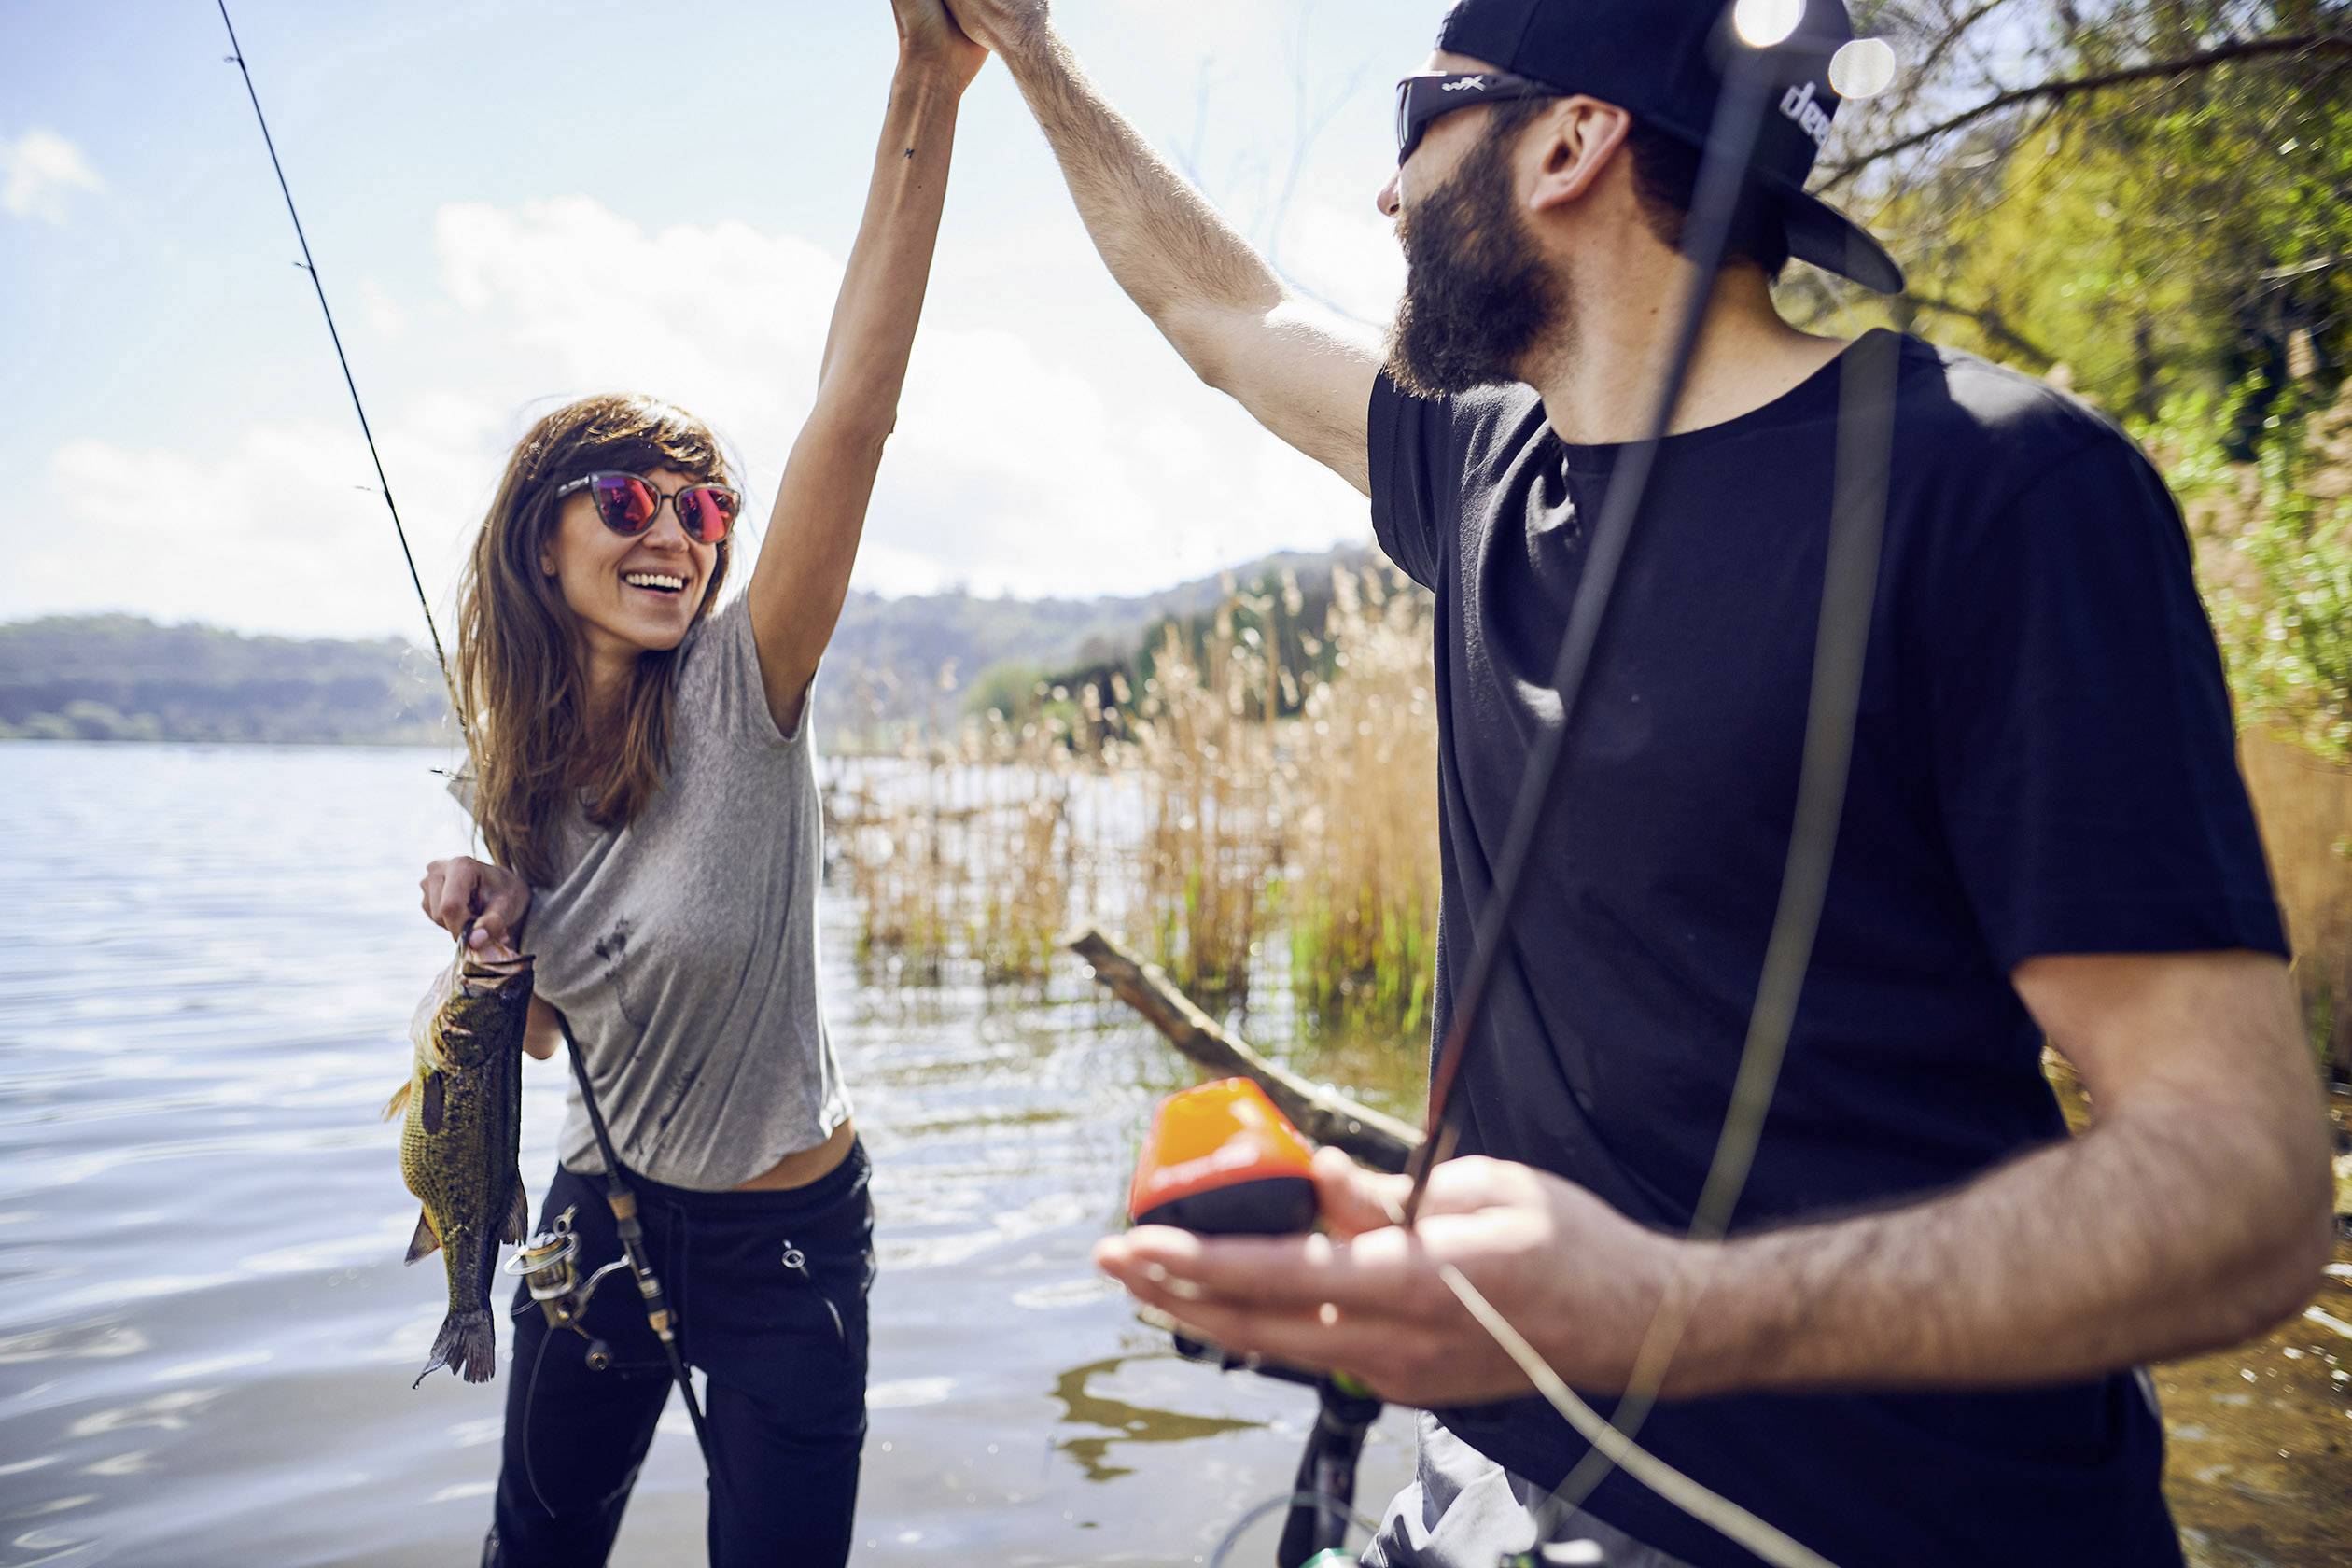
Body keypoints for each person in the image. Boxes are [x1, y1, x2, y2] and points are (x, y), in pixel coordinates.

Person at [938, 0, 2337, 1563]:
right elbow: (1227, 314)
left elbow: (2245, 1185)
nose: (1383, 196)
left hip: (1873, 1526)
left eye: (1420, 115)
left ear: (1569, 139)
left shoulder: (2000, 495)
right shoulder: (1482, 472)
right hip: (1495, 1472)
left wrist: (1666, 1313)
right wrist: (1027, 52)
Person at [413, 5, 986, 1564]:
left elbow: (854, 416)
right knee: (534, 1553)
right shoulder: (507, 772)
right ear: (546, 537)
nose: (676, 530)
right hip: (598, 1222)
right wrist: (486, 947)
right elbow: (543, 1036)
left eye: (701, 505)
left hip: (789, 1240)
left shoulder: (752, 680)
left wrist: (924, 82)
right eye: (627, 500)